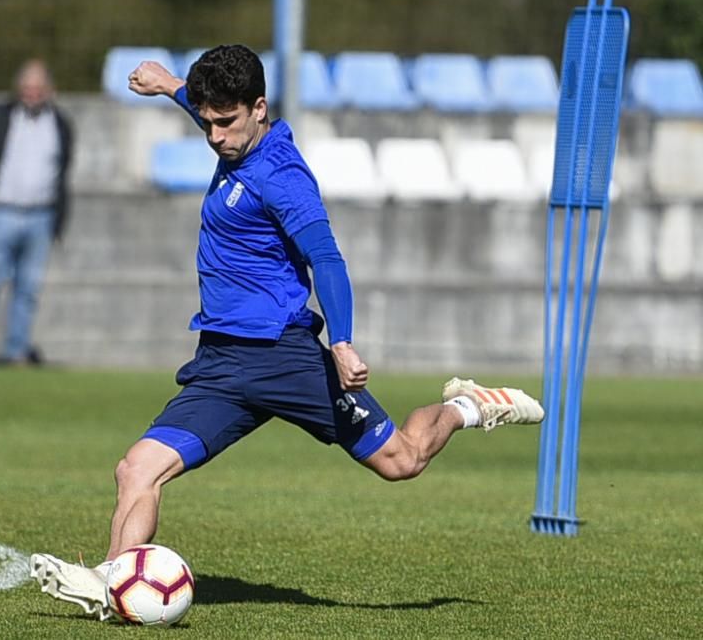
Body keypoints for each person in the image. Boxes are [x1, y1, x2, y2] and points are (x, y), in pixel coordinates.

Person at [29, 44, 544, 620]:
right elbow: (208, 110)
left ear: (259, 109)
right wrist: (169, 83)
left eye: (226, 122)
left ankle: (467, 406)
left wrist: (342, 342)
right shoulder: (232, 134)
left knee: (402, 461)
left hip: (286, 359)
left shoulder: (282, 175)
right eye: (207, 122)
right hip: (221, 365)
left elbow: (327, 258)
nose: (214, 136)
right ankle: (113, 582)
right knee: (136, 470)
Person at [0, 59, 73, 365]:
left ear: (49, 90)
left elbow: (63, 172)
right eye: (27, 87)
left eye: (38, 87)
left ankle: (16, 351)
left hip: (41, 216)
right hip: (0, 211)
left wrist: (59, 220)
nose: (32, 93)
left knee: (28, 289)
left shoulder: (60, 124)